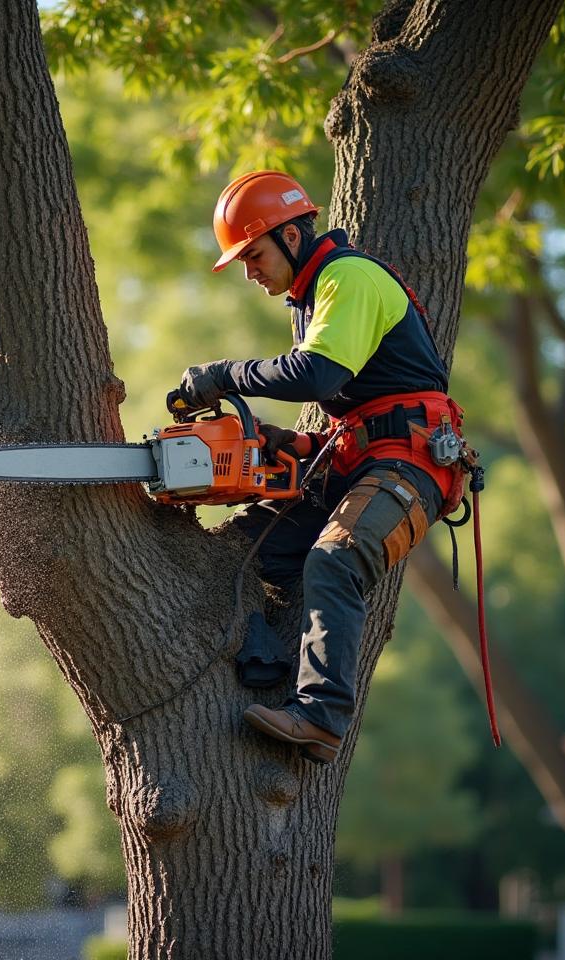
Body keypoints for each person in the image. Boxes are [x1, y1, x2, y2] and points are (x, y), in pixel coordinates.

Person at [176, 170, 469, 764]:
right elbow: (351, 406)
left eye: (252, 254)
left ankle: (321, 718)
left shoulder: (347, 277)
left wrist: (223, 374)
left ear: (289, 235)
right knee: (241, 554)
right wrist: (295, 443)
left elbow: (316, 375)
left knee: (334, 557)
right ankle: (265, 659)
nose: (249, 271)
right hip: (356, 457)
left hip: (412, 463)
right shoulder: (312, 298)